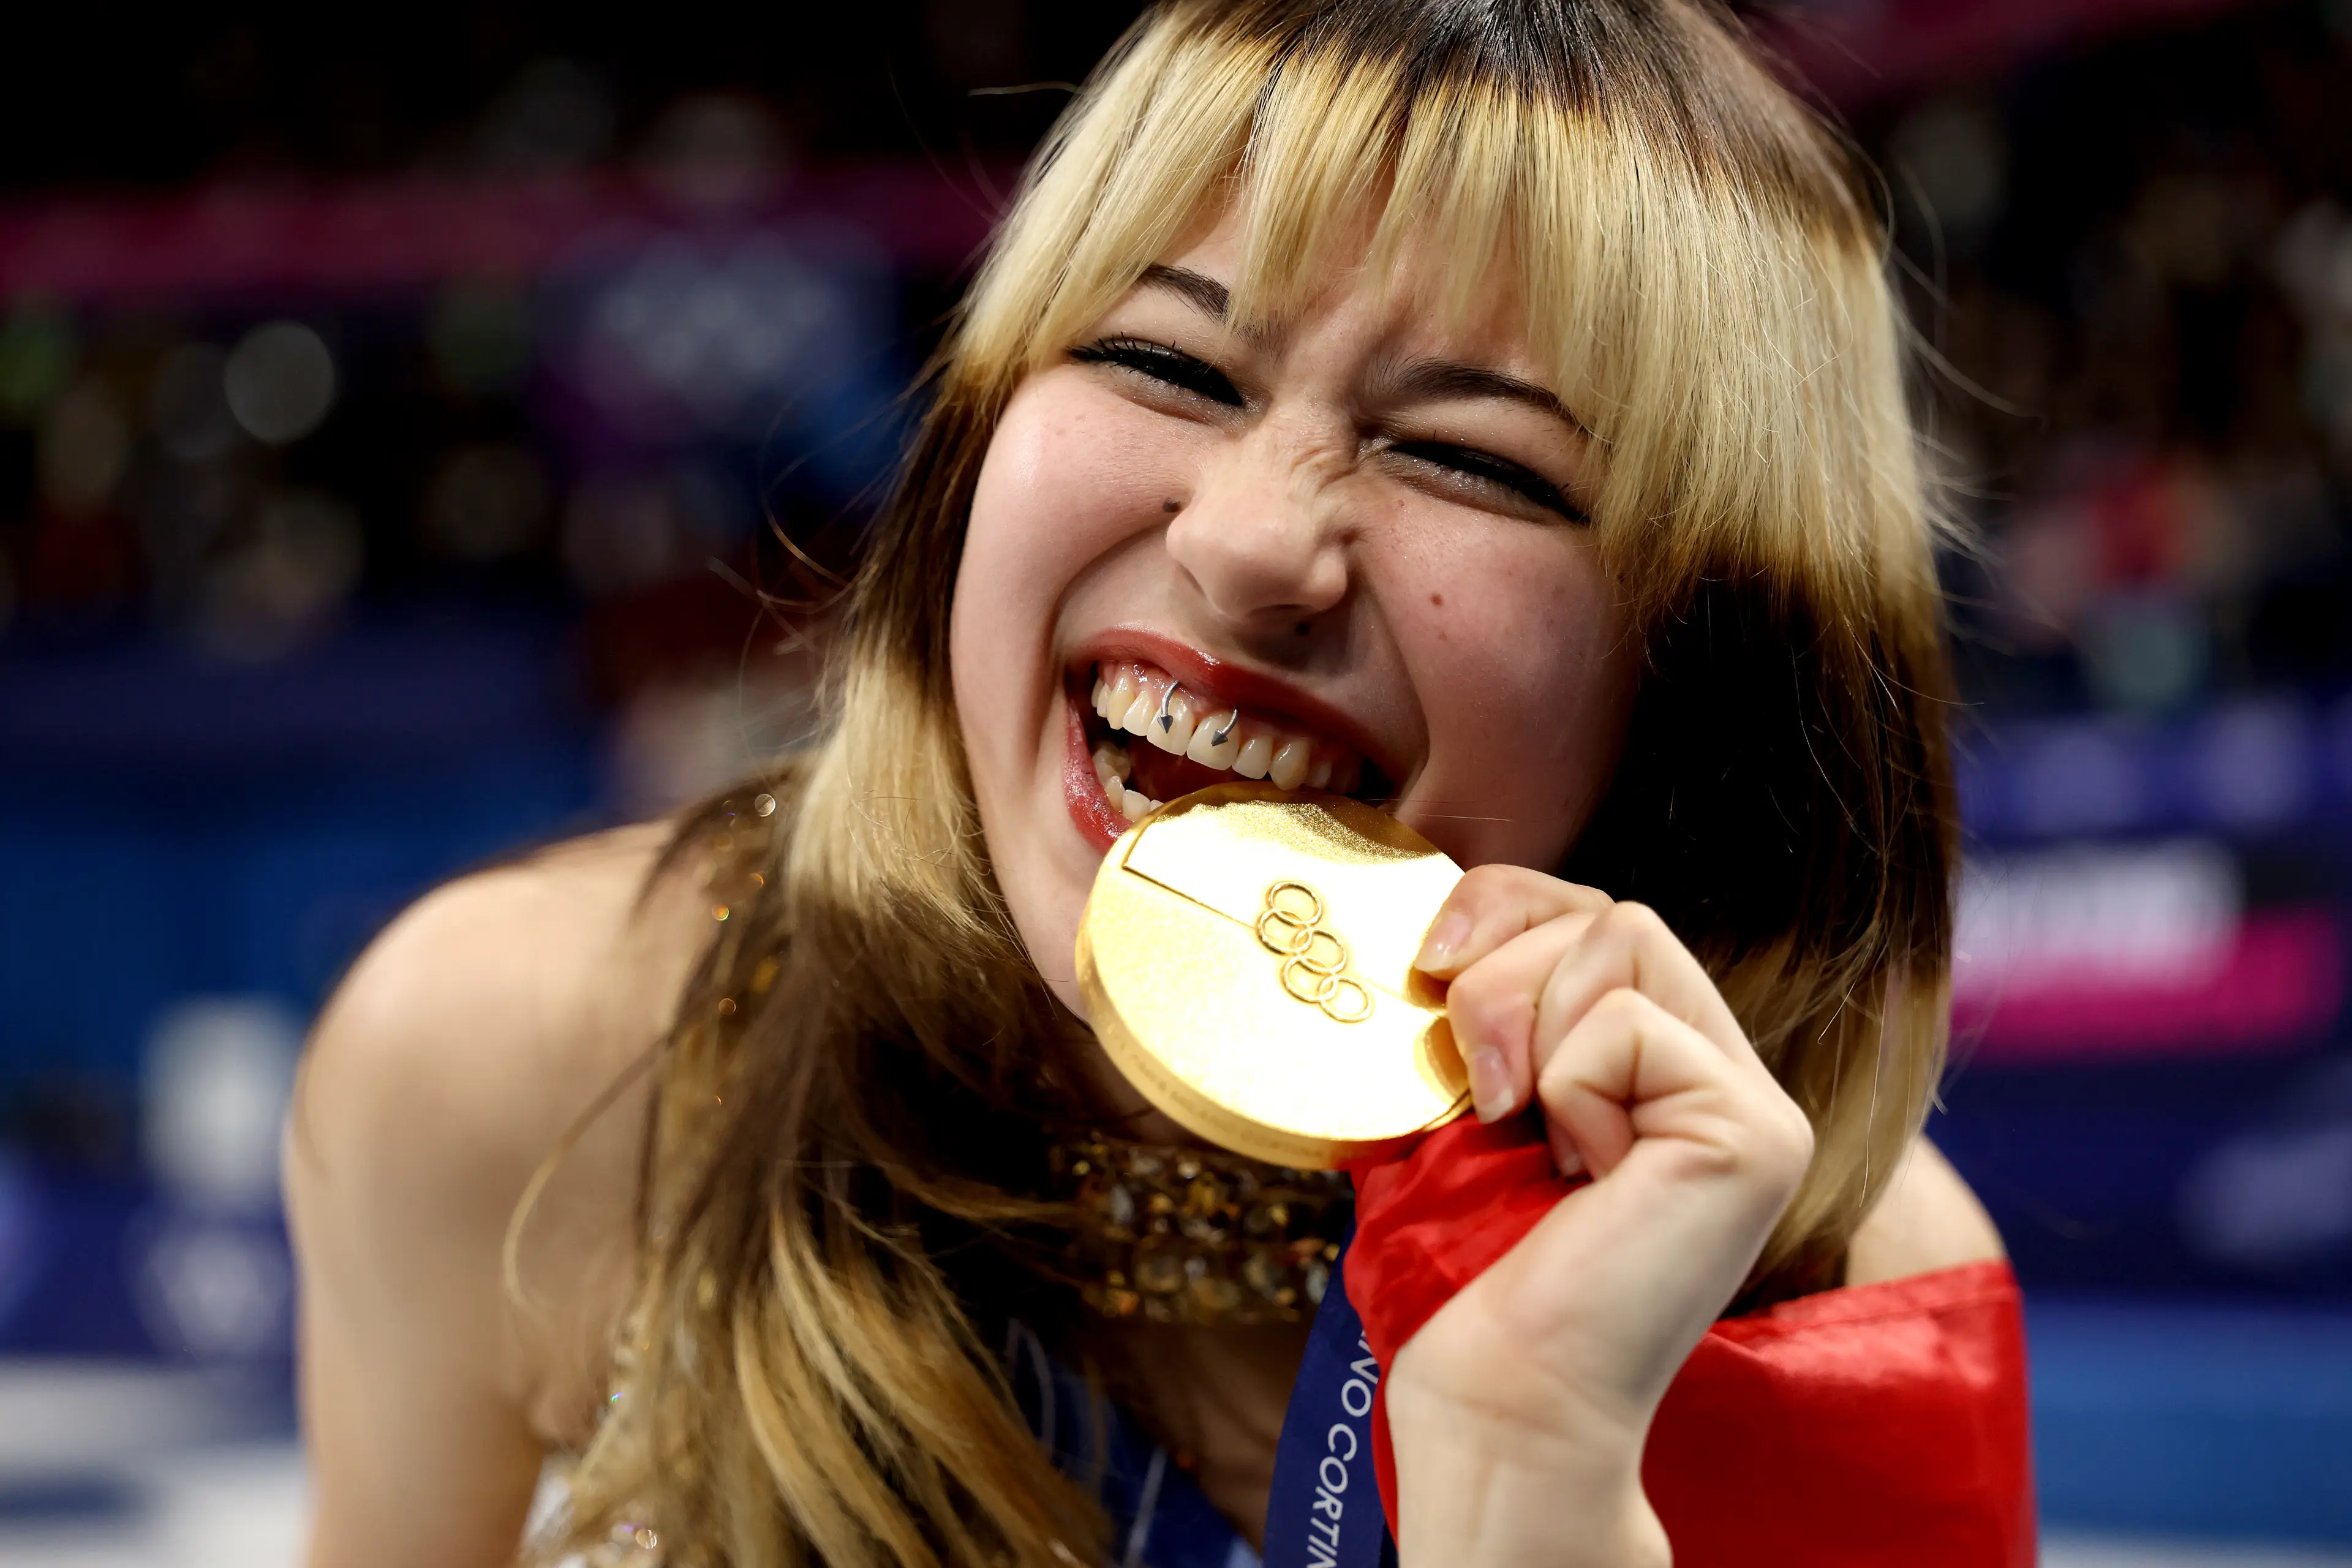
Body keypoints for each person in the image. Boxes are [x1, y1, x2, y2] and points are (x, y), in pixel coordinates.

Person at [287, 2, 2018, 1565]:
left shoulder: (1831, 1292)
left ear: (1711, 669)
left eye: (1470, 457)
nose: (1253, 540)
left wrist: (1538, 1487)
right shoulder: (522, 1064)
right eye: (1167, 364)